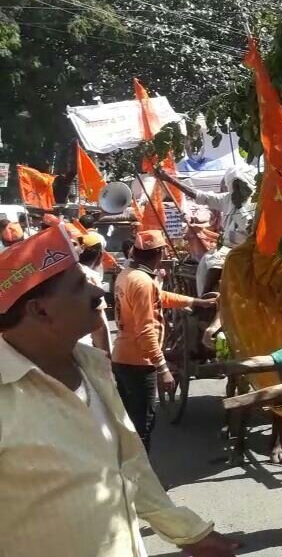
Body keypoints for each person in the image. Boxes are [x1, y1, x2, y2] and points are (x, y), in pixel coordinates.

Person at [0, 225, 238, 557]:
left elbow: (129, 465)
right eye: (79, 286)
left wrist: (189, 533)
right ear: (40, 311)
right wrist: (162, 367)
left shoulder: (92, 367)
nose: (98, 292)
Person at [111, 230, 217, 450]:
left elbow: (160, 297)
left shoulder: (127, 275)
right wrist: (162, 368)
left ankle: (130, 465)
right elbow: (146, 331)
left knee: (130, 422)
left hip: (123, 357)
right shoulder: (142, 282)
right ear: (159, 252)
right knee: (142, 425)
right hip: (138, 363)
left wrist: (196, 302)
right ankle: (140, 469)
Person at [157, 164, 258, 296]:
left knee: (214, 263)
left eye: (240, 184)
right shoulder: (227, 199)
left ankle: (205, 300)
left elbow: (249, 228)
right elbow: (199, 195)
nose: (238, 188)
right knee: (206, 261)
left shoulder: (256, 203)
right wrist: (170, 180)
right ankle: (205, 299)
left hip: (248, 247)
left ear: (248, 184)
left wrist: (239, 207)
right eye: (235, 185)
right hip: (227, 247)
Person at [79, 231, 112, 354]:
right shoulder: (91, 278)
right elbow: (99, 324)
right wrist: (107, 355)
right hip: (85, 348)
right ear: (100, 255)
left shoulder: (67, 274)